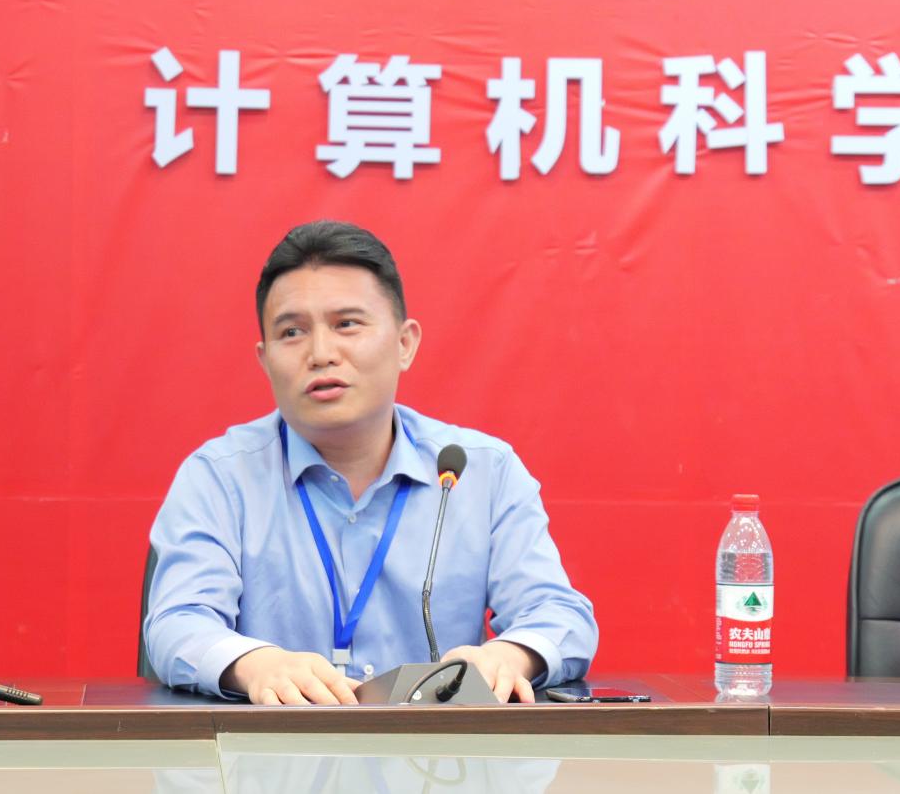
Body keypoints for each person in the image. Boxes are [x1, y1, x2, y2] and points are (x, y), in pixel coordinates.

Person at [144, 221, 597, 705]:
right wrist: (256, 665)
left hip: (441, 750)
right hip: (274, 744)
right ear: (264, 359)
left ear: (405, 344)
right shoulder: (219, 477)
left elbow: (558, 613)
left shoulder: (483, 472)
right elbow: (178, 622)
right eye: (292, 332)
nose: (321, 354)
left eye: (347, 325)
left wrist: (509, 656)